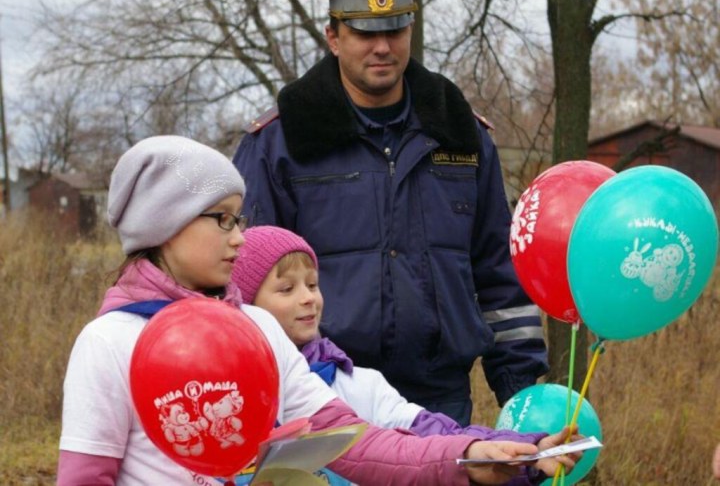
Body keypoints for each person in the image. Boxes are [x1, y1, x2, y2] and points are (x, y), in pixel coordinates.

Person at [57, 135, 577, 486]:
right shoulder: (109, 343)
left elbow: (350, 442)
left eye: (240, 220)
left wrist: (467, 459)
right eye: (223, 220)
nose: (239, 238)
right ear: (163, 225)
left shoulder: (256, 327)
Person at [233, 0, 547, 425]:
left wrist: (521, 396)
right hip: (325, 393)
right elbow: (242, 285)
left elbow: (500, 272)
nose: (382, 47)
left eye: (395, 29)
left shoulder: (461, 135)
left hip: (441, 397)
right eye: (364, 31)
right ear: (334, 37)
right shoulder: (279, 143)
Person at [232, 224, 580, 467]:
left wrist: (522, 449)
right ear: (245, 304)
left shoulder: (356, 383)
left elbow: (432, 432)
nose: (309, 299)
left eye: (312, 284)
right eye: (287, 289)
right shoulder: (223, 392)